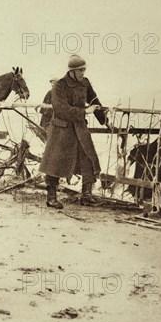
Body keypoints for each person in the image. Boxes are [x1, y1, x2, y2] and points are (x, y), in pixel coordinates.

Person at [38, 55, 107, 209]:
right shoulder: (59, 86)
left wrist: (104, 119)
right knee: (54, 163)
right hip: (61, 128)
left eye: (84, 69)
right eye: (80, 70)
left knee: (88, 158)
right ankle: (51, 197)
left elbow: (94, 100)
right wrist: (85, 112)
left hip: (80, 127)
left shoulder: (85, 82)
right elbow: (61, 109)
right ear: (72, 71)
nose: (83, 73)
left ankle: (87, 196)